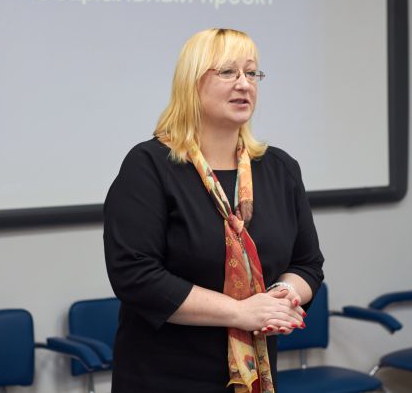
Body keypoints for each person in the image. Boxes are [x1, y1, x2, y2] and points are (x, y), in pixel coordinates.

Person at [104, 28, 324, 393]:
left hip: (253, 378)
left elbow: (307, 263)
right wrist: (241, 312)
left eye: (251, 73)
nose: (244, 84)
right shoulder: (150, 165)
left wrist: (281, 296)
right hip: (164, 378)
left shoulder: (280, 168)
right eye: (228, 72)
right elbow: (135, 275)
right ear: (192, 83)